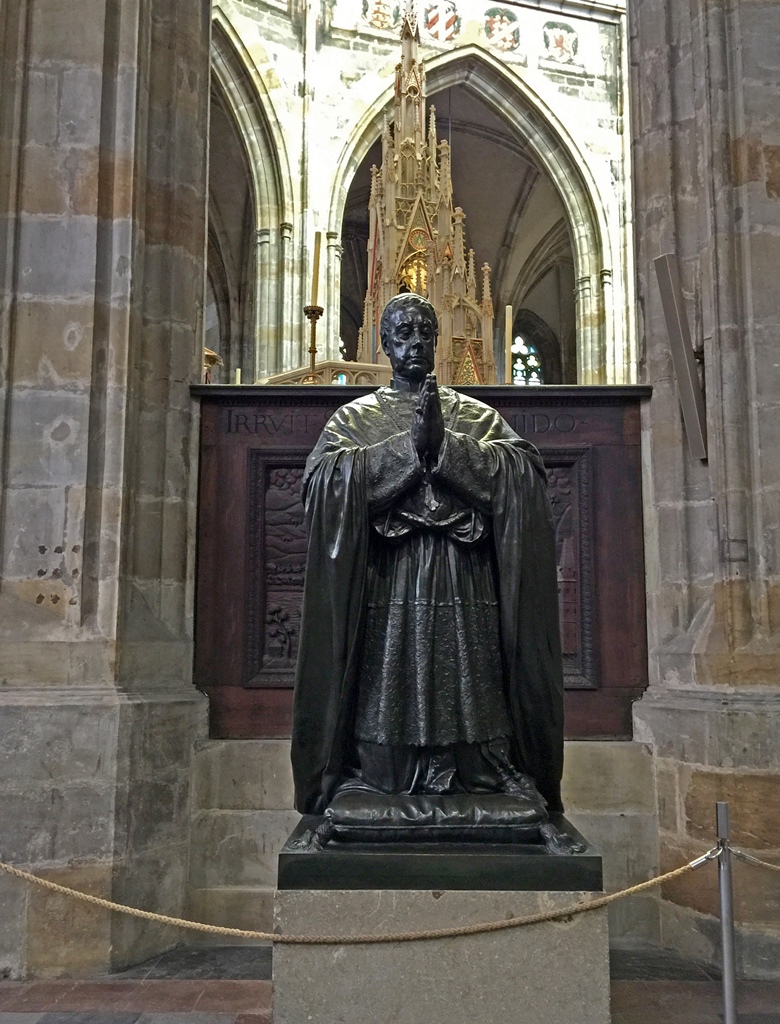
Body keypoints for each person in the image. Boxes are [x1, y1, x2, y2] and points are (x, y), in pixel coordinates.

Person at [291, 293, 564, 822]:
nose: (415, 342)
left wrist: (447, 449)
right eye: (404, 333)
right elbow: (321, 489)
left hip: (465, 585)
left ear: (437, 343)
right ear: (386, 343)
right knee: (392, 681)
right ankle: (380, 770)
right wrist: (407, 451)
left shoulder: (475, 417)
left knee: (469, 679)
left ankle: (478, 767)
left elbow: (525, 478)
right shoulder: (353, 420)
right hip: (389, 584)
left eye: (424, 333)